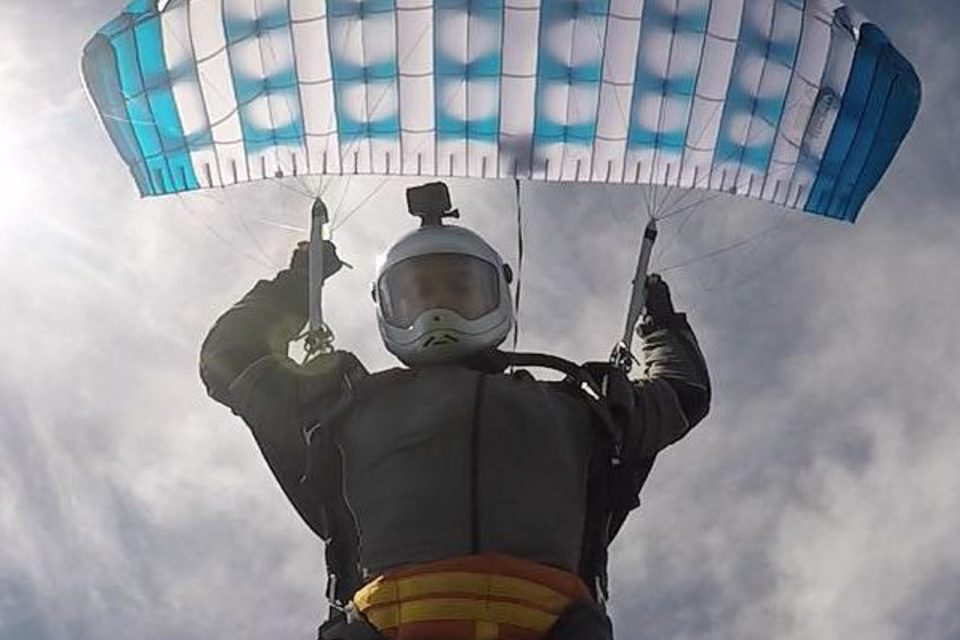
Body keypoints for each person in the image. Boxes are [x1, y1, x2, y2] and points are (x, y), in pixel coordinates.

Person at [199, 183, 711, 640]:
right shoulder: (339, 407)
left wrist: (660, 325)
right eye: (417, 294)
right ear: (387, 308)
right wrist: (296, 286)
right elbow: (229, 362)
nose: (438, 309)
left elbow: (679, 396)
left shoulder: (577, 409)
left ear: (496, 297)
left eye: (460, 290)